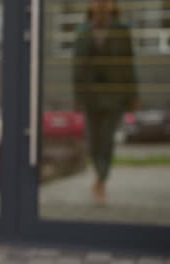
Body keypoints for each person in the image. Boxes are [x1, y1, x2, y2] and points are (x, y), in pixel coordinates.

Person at [72, 0, 138, 206]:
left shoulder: (122, 30)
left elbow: (129, 63)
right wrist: (77, 97)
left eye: (105, 1)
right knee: (93, 140)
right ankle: (100, 177)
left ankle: (101, 181)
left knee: (107, 139)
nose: (101, 4)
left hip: (114, 96)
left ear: (112, 5)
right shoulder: (82, 31)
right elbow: (77, 67)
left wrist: (133, 95)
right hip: (91, 97)